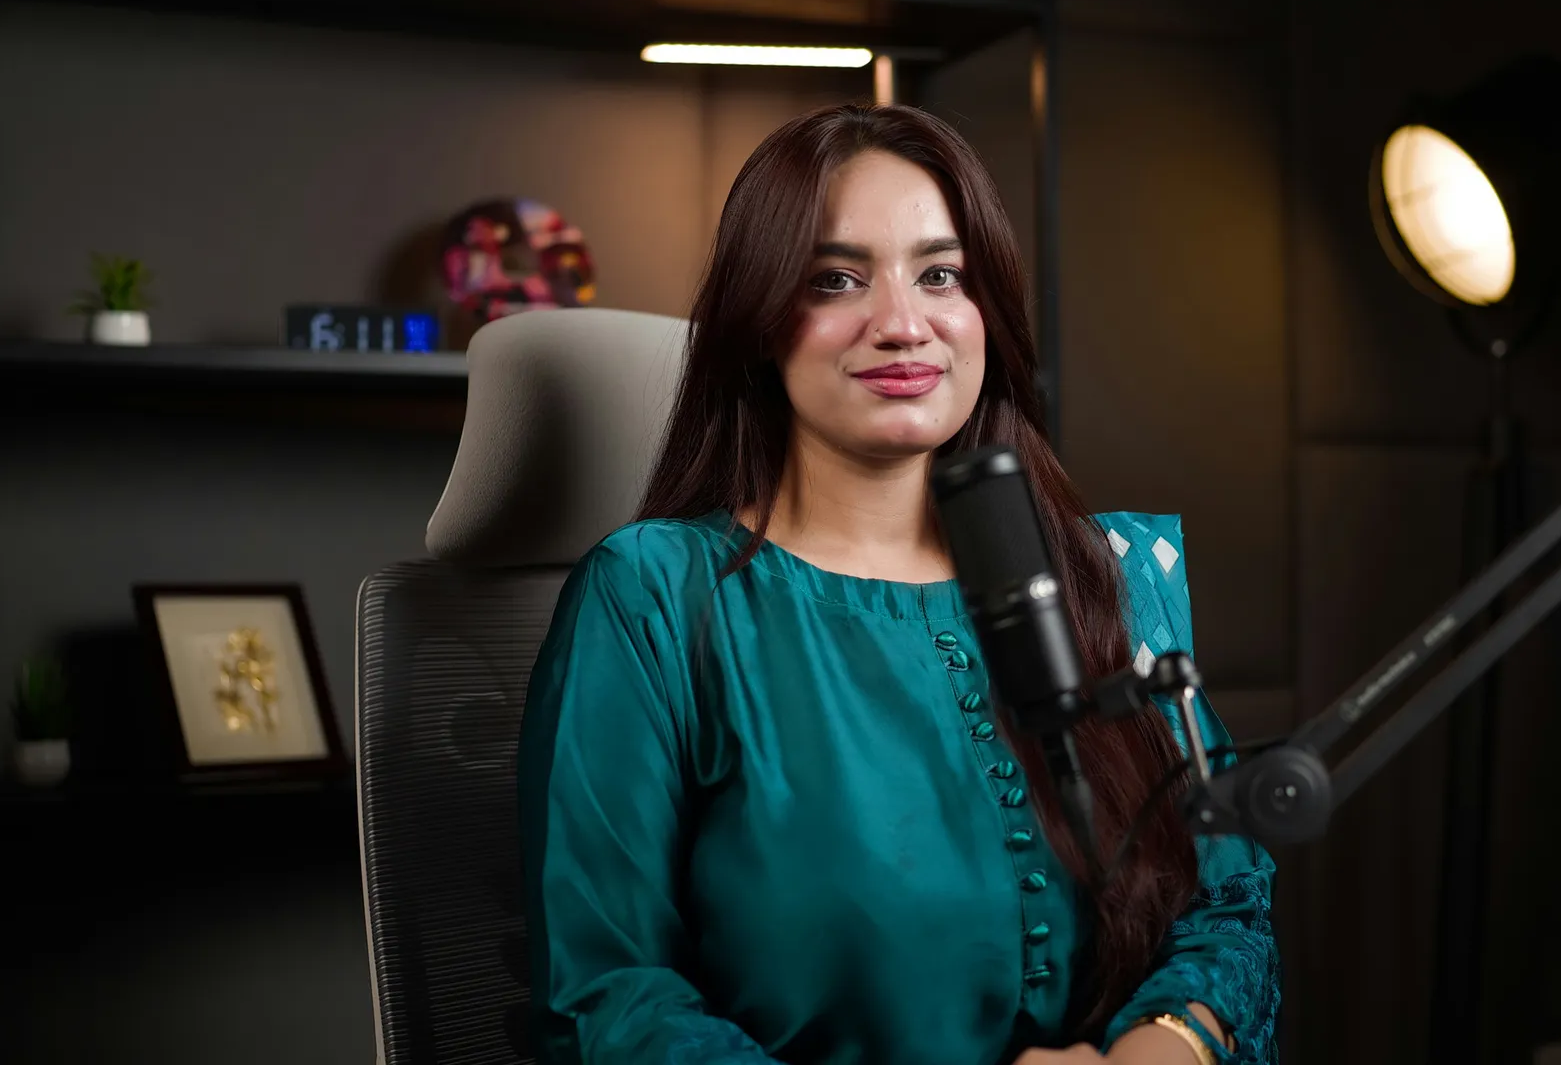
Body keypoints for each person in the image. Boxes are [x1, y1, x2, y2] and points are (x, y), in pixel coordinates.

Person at [517, 103, 1277, 1065]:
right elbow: (606, 994)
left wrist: (1161, 1048)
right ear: (759, 321)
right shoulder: (654, 598)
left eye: (940, 275)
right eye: (835, 279)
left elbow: (1228, 903)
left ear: (985, 313)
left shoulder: (1108, 576)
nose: (903, 324)